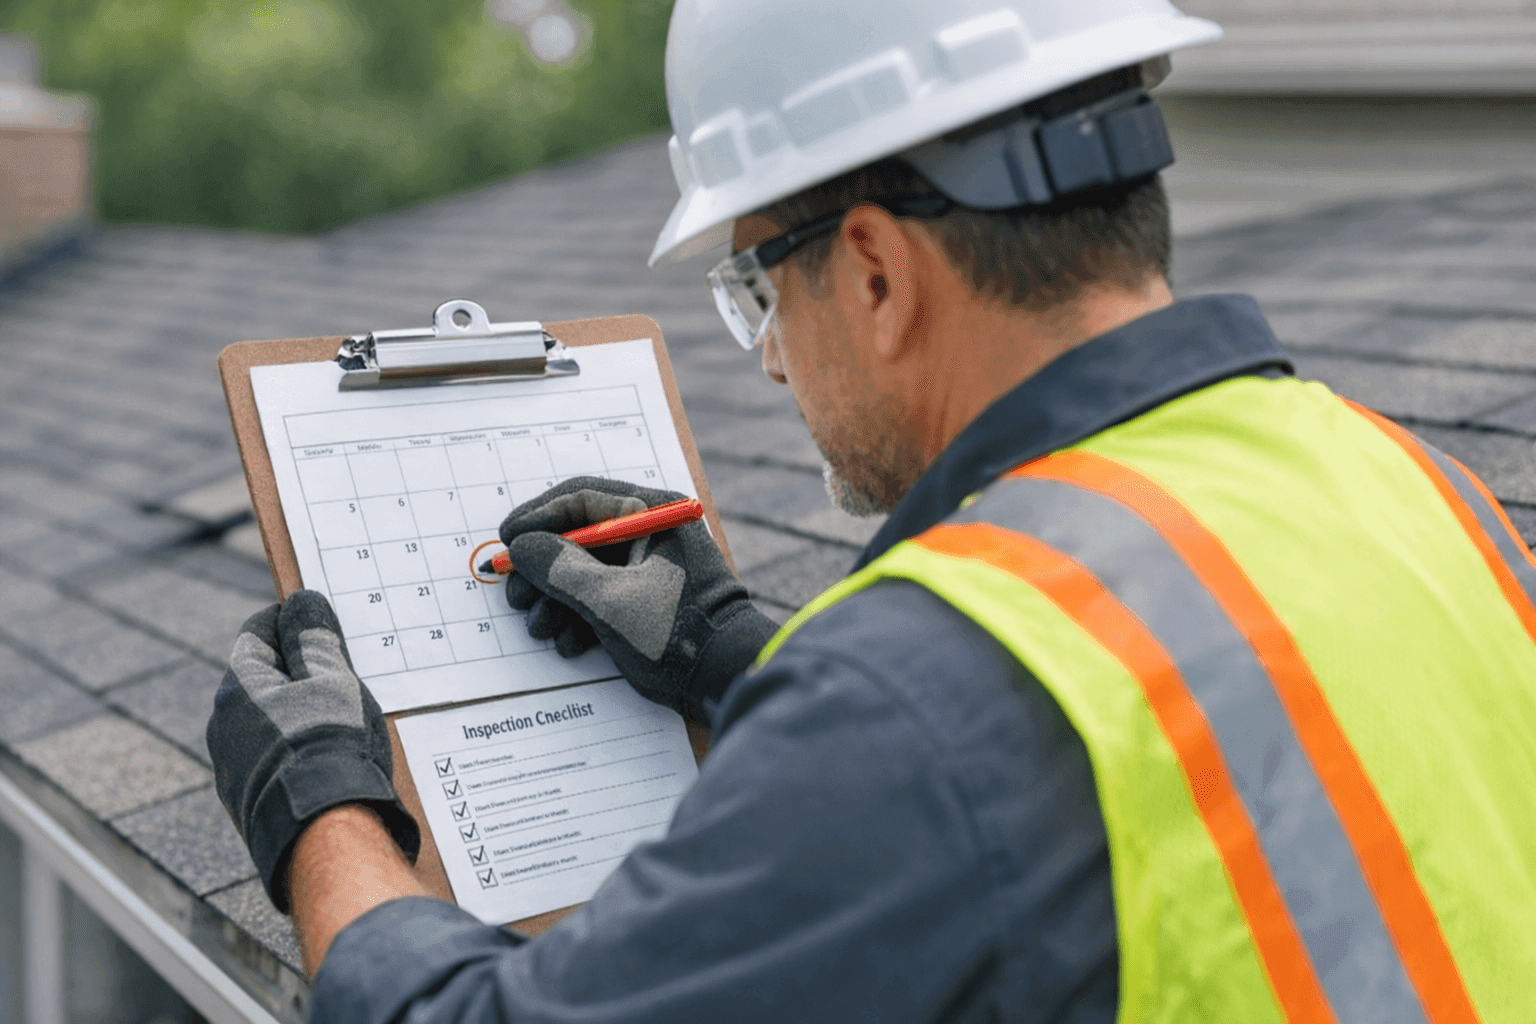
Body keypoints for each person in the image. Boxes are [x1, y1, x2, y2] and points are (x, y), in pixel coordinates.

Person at [207, 0, 1536, 1020]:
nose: (776, 355)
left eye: (760, 296)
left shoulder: (922, 699)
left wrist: (321, 802)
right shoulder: (1422, 489)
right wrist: (740, 654)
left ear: (877, 274)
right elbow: (1187, 767)